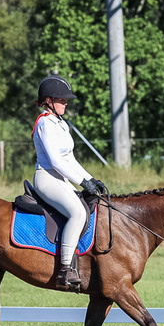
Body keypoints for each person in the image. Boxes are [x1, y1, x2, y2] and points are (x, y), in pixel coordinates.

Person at [31, 74, 105, 288]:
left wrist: (90, 178)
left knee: (87, 208)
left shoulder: (60, 124)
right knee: (78, 212)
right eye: (61, 99)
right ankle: (65, 269)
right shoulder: (45, 123)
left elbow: (69, 159)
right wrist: (83, 181)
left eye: (65, 99)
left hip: (61, 178)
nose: (65, 102)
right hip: (47, 178)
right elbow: (55, 161)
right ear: (48, 101)